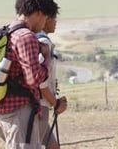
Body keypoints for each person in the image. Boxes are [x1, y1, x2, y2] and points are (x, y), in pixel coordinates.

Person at [0, 0, 60, 149]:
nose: (44, 23)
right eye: (45, 17)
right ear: (38, 13)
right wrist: (46, 58)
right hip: (19, 112)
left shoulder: (9, 32)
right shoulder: (26, 36)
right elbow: (34, 78)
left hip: (3, 110)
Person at [37, 17, 68, 149]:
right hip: (39, 106)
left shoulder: (38, 39)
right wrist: (56, 104)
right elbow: (40, 81)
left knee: (53, 146)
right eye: (54, 18)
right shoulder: (44, 42)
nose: (56, 22)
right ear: (45, 18)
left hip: (40, 105)